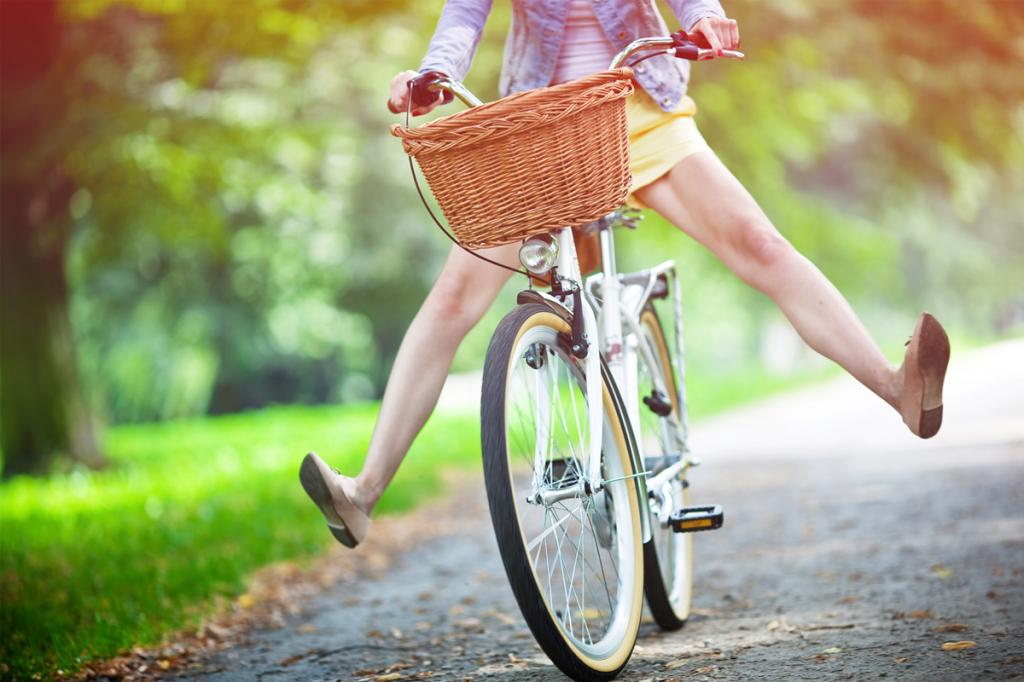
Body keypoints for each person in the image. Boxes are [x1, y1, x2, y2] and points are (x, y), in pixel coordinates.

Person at [298, 0, 951, 549]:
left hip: (640, 109)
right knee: (451, 302)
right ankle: (364, 492)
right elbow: (464, 16)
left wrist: (706, 16)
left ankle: (897, 389)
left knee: (759, 243)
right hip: (541, 123)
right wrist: (433, 74)